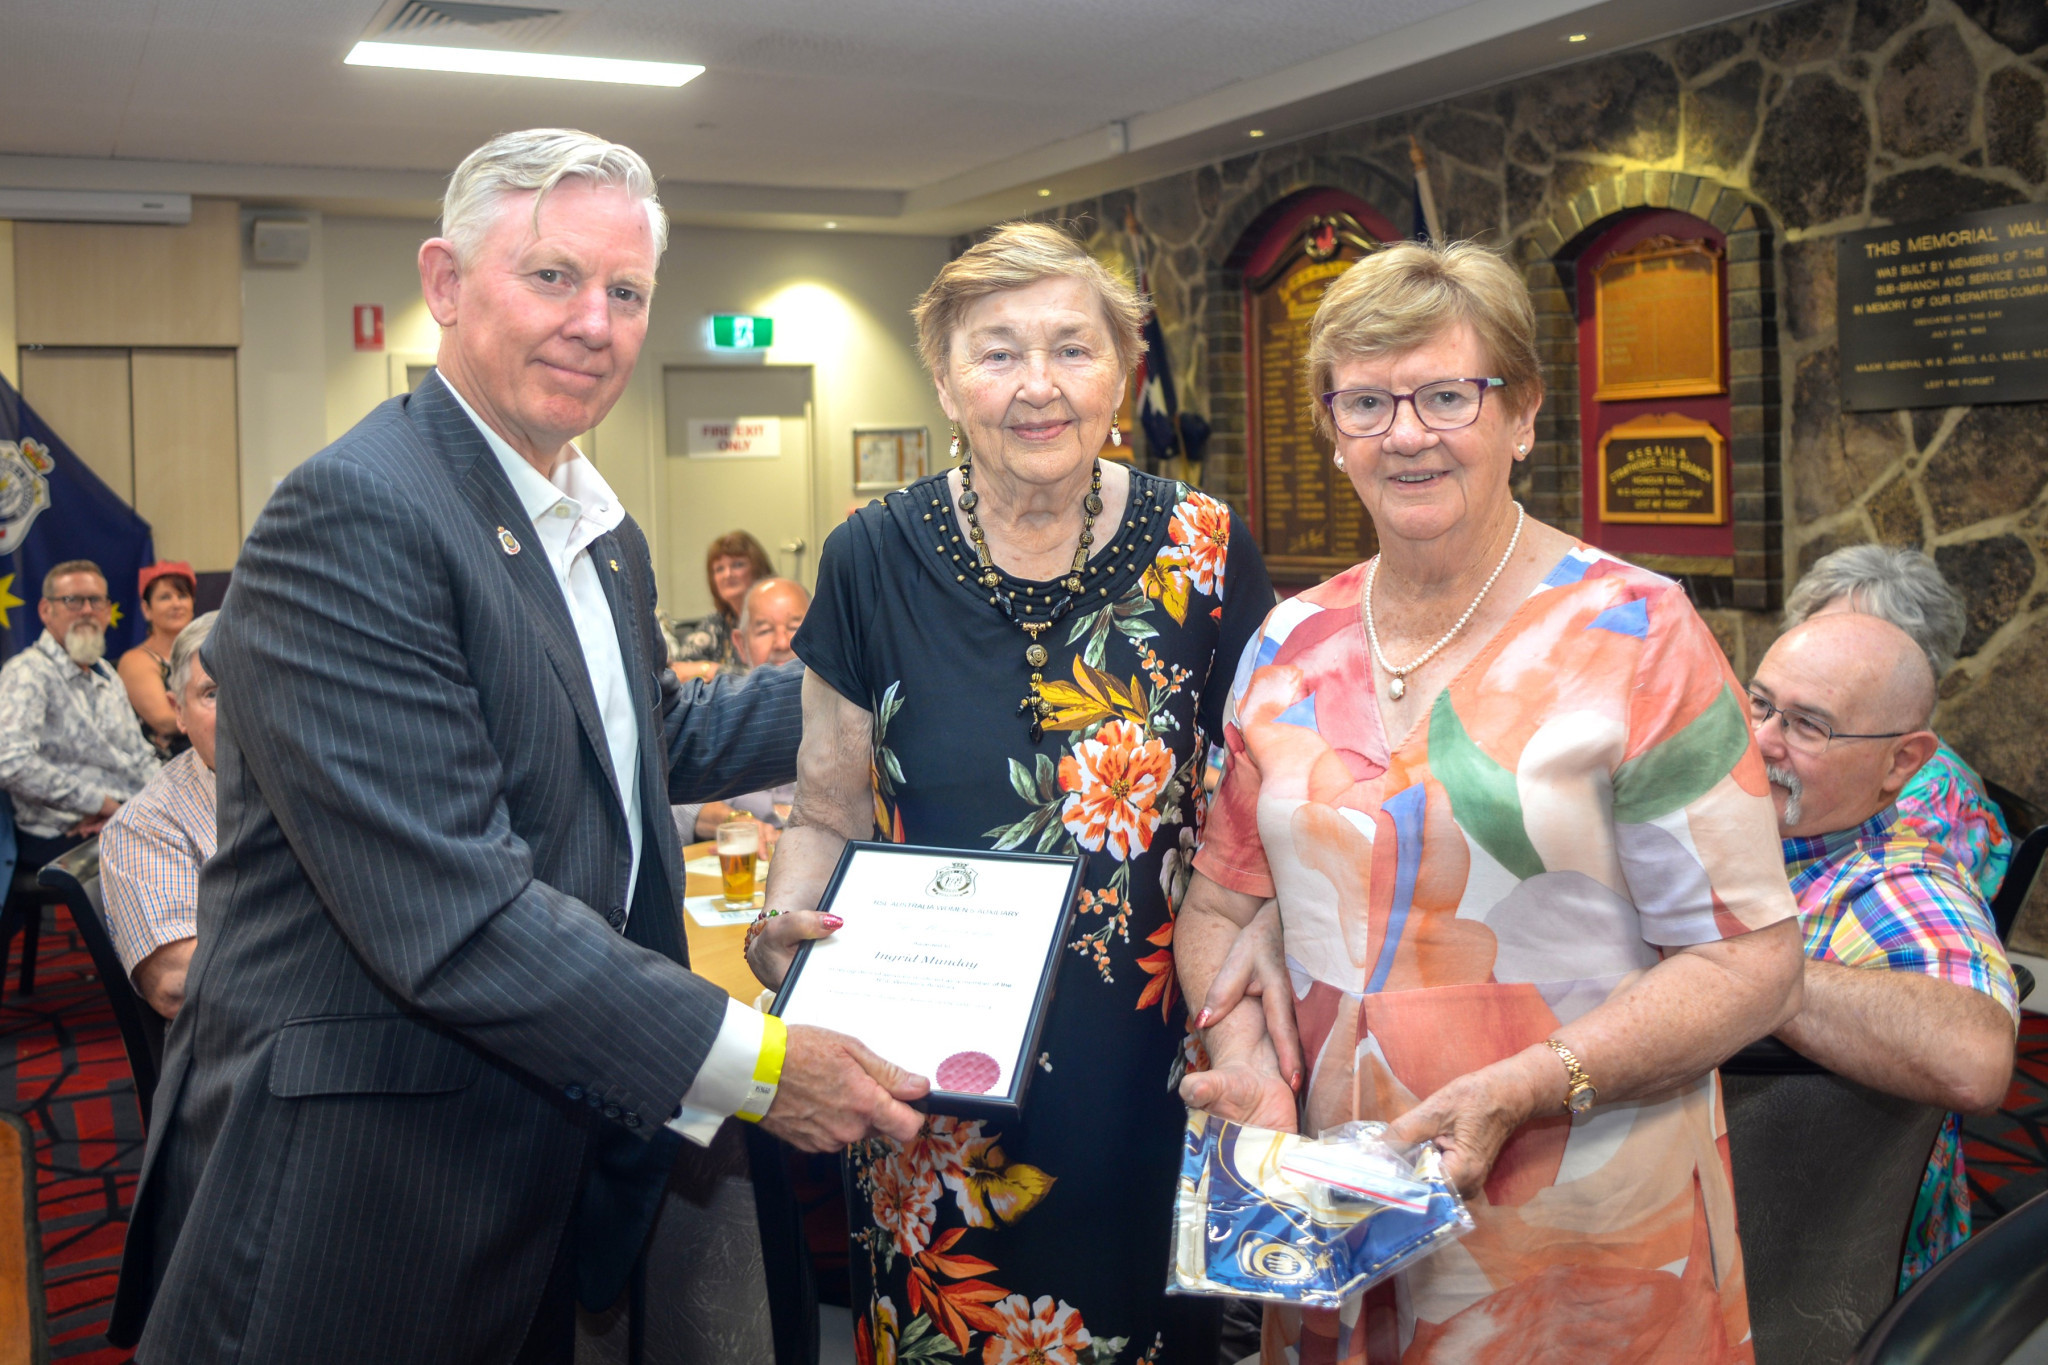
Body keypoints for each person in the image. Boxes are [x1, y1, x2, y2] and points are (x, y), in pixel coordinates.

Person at [110, 129, 928, 1365]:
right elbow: (452, 914)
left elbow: (642, 734)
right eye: (551, 276)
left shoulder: (590, 522)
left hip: (539, 1148)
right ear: (444, 284)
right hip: (370, 1186)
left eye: (626, 291)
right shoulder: (358, 511)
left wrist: (897, 698)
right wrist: (758, 1067)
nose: (593, 322)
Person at [1180, 240, 1804, 1363]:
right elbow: (1222, 908)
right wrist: (1240, 1062)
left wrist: (1527, 1086)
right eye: (1365, 401)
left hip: (1576, 1217)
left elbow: (1747, 964)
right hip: (1335, 1201)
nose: (1404, 432)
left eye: (1443, 395)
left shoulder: (1636, 632)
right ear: (1330, 431)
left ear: (1518, 417)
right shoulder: (1287, 640)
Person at [747, 221, 1274, 1361]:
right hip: (924, 1099)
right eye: (996, 353)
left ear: (1124, 372)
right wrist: (778, 931)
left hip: (1149, 1079)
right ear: (942, 377)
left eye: (1072, 349)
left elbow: (1254, 822)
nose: (1037, 386)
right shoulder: (867, 556)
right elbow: (826, 808)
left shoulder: (1205, 549)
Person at [1749, 612, 2017, 1288]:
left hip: (1816, 1283)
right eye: (1759, 704)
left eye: (1807, 725)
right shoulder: (1769, 837)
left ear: (1901, 761)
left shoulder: (1890, 879)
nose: (1761, 740)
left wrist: (1738, 971)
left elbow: (1976, 1059)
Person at [1784, 544, 2014, 899]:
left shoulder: (1933, 797)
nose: (1819, 655)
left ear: (1912, 662)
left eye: (1846, 642)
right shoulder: (1792, 741)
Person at [0, 561, 159, 870]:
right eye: (73, 600)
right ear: (46, 610)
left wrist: (151, 804)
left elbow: (138, 754)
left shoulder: (106, 674)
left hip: (122, 814)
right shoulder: (28, 672)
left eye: (96, 600)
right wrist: (101, 804)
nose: (87, 610)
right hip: (61, 832)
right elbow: (9, 760)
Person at [101, 611, 219, 1019]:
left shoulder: (323, 779)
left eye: (256, 686)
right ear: (179, 711)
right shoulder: (146, 824)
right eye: (213, 694)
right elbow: (175, 987)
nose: (239, 710)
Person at [674, 579, 808, 844]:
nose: (782, 642)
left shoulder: (853, 709)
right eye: (765, 630)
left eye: (795, 627)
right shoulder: (716, 709)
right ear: (739, 643)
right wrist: (725, 820)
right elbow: (659, 796)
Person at [664, 531, 774, 680]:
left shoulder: (777, 616)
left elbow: (776, 677)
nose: (727, 575)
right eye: (719, 569)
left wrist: (709, 669)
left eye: (737, 565)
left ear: (757, 569)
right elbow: (679, 668)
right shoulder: (717, 621)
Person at [116, 561, 198, 760]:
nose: (176, 604)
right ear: (146, 609)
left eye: (182, 596)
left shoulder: (206, 651)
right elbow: (163, 721)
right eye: (165, 597)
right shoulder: (136, 660)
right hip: (161, 770)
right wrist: (223, 720)